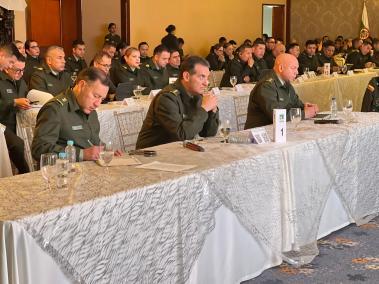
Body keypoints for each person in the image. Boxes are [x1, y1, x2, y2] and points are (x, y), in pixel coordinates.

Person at [32, 67, 119, 161]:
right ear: (81, 85)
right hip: (64, 171)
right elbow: (39, 149)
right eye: (95, 96)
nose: (97, 104)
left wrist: (105, 150)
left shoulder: (90, 108)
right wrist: (81, 154)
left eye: (101, 99)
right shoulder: (55, 109)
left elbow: (91, 141)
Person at [136, 56, 219, 149]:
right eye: (202, 77)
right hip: (152, 153)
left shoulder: (197, 95)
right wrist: (204, 109)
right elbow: (181, 136)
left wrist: (212, 111)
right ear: (186, 76)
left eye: (207, 78)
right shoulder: (167, 98)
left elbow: (208, 133)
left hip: (176, 151)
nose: (206, 83)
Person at [244, 53, 318, 129]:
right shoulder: (266, 86)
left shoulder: (286, 82)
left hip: (278, 130)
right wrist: (305, 114)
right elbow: (278, 117)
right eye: (293, 68)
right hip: (260, 134)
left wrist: (304, 107)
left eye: (297, 68)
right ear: (281, 68)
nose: (297, 72)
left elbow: (295, 103)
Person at [0, 50, 30, 174]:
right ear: (8, 68)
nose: (21, 74)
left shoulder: (21, 81)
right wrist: (14, 102)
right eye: (18, 70)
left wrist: (23, 104)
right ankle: (25, 173)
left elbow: (24, 97)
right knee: (17, 144)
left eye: (23, 70)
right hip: (3, 122)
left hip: (17, 119)